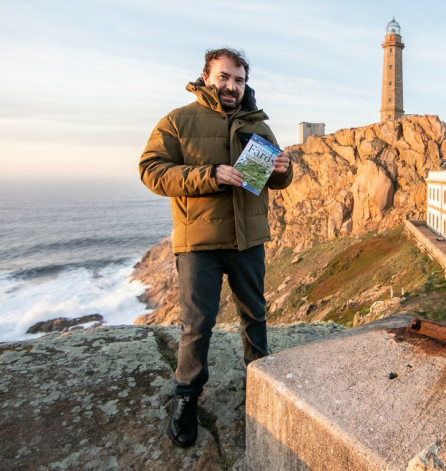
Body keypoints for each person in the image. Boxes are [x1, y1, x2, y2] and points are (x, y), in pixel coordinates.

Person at [138, 48, 293, 448]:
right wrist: (209, 175)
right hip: (199, 244)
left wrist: (283, 170)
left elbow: (275, 181)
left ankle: (261, 386)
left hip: (248, 241)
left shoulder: (258, 123)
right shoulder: (177, 121)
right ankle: (186, 400)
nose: (231, 86)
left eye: (238, 80)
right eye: (224, 77)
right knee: (197, 325)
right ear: (207, 77)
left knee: (254, 316)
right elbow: (151, 170)